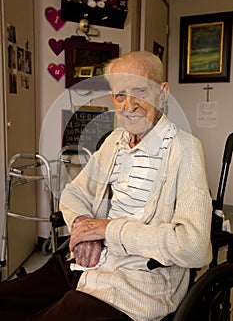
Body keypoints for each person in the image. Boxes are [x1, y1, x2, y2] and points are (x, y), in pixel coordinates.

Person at [0, 51, 212, 321]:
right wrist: (84, 225)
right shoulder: (115, 141)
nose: (130, 105)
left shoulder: (185, 149)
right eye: (120, 95)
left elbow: (194, 246)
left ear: (162, 93)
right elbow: (74, 193)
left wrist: (108, 230)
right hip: (85, 266)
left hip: (135, 286)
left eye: (140, 91)